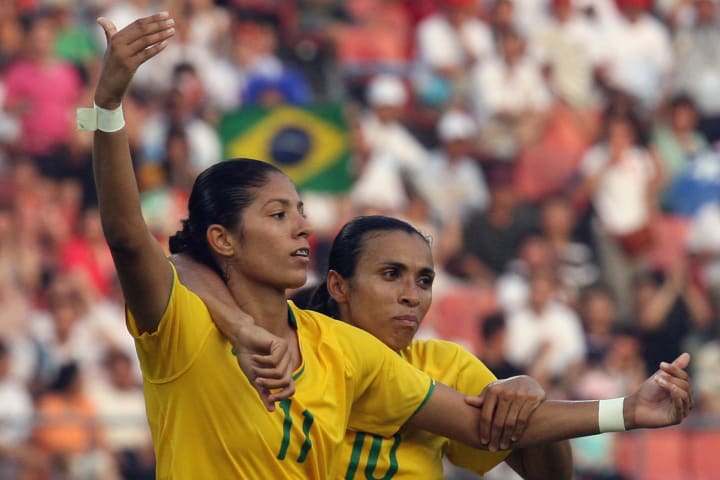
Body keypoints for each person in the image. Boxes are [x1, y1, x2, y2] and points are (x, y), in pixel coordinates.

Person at [88, 13, 653, 479]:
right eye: (278, 214)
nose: (301, 229)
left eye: (302, 214)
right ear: (223, 240)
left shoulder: (339, 347)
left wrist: (624, 410)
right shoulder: (185, 327)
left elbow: (483, 426)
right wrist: (109, 105)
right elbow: (133, 242)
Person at [177, 215, 695, 480]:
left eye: (424, 281)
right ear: (337, 285)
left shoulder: (441, 362)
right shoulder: (295, 342)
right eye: (390, 275)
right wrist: (239, 326)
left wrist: (528, 398)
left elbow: (546, 472)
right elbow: (173, 265)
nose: (411, 295)